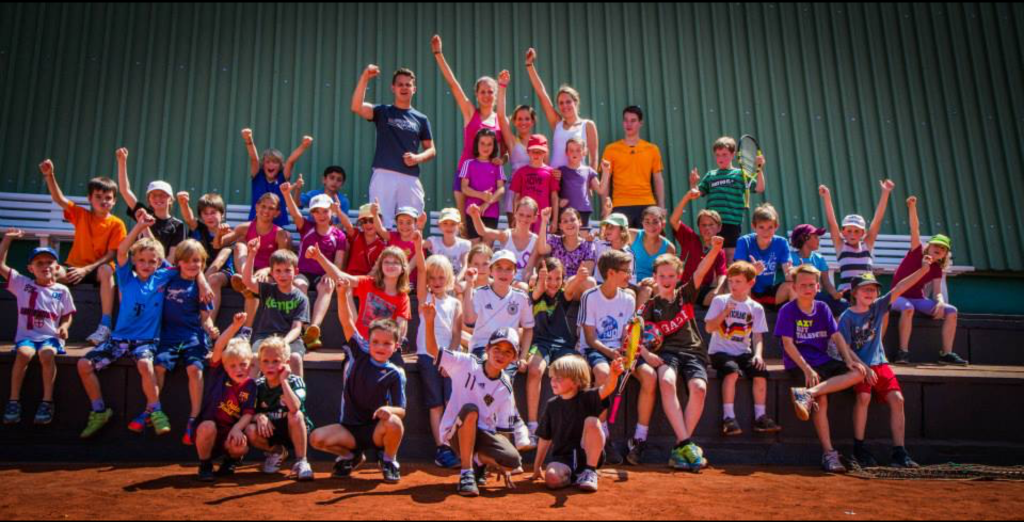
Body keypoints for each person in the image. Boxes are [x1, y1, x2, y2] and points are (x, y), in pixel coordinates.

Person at [78, 210, 208, 439]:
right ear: (134, 261)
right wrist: (138, 227)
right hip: (119, 339)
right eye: (141, 261)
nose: (147, 265)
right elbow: (121, 251)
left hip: (147, 341)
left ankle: (156, 411)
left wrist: (204, 280)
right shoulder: (126, 277)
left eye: (152, 261)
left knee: (146, 365)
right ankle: (99, 410)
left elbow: (191, 265)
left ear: (159, 263)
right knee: (83, 365)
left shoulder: (162, 276)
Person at [841, 258, 937, 469]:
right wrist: (863, 367)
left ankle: (899, 452)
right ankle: (858, 448)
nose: (870, 293)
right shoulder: (846, 317)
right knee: (864, 397)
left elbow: (901, 286)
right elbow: (845, 348)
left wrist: (923, 269)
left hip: (880, 363)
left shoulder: (879, 307)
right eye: (864, 289)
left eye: (873, 290)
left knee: (898, 399)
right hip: (859, 366)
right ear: (854, 292)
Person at [636, 243, 723, 471]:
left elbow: (701, 271)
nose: (666, 279)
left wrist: (715, 250)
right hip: (667, 354)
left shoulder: (685, 294)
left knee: (699, 388)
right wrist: (647, 354)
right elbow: (633, 336)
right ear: (654, 277)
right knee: (666, 381)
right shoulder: (649, 306)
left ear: (678, 276)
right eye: (662, 275)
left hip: (693, 352)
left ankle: (680, 446)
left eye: (671, 275)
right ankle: (687, 444)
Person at [423, 304, 524, 498]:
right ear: (486, 348)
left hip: (482, 435)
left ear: (514, 358)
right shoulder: (467, 363)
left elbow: (504, 432)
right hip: (454, 431)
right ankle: (467, 473)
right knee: (471, 410)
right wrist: (429, 322)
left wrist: (501, 460)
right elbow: (433, 351)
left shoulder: (506, 387)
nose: (501, 355)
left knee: (513, 461)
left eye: (508, 352)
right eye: (497, 348)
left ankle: (478, 461)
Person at [309, 286, 406, 485]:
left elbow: (401, 410)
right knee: (316, 438)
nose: (380, 347)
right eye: (376, 342)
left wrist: (389, 409)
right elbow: (346, 321)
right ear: (368, 342)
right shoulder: (358, 352)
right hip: (349, 430)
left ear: (396, 346)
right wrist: (343, 293)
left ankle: (389, 461)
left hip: (376, 431)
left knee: (395, 422)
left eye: (387, 344)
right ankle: (350, 457)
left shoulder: (395, 373)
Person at [778, 264, 867, 474]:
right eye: (803, 285)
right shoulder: (787, 310)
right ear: (795, 286)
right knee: (822, 400)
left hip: (823, 360)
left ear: (818, 286)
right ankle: (829, 453)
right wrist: (807, 369)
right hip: (799, 362)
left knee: (857, 373)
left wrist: (848, 360)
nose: (808, 289)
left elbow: (836, 337)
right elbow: (788, 345)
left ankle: (807, 394)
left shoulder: (823, 308)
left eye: (811, 285)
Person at [39, 159, 124, 346]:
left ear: (114, 200)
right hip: (73, 268)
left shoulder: (117, 223)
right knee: (50, 271)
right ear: (90, 199)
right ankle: (47, 324)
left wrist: (86, 270)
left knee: (108, 271)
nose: (104, 201)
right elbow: (59, 199)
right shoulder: (81, 215)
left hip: (96, 270)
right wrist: (49, 175)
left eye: (108, 198)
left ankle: (105, 324)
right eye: (99, 196)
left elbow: (112, 254)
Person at [577, 249, 649, 466]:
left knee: (650, 376)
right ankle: (604, 435)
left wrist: (628, 352)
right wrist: (612, 354)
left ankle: (639, 439)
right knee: (603, 373)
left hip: (620, 351)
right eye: (626, 272)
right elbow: (590, 339)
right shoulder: (589, 296)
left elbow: (628, 333)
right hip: (596, 350)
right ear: (610, 273)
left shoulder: (629, 297)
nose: (630, 276)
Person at [0, 231, 74, 426]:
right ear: (30, 268)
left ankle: (46, 401)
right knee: (23, 353)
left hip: (50, 337)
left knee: (47, 354)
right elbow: (0, 265)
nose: (45, 266)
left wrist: (64, 327)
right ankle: (14, 400)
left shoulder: (62, 290)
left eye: (49, 262)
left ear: (56, 267)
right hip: (27, 336)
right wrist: (7, 239)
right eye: (39, 263)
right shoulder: (22, 284)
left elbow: (67, 314)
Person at [431, 35, 504, 228]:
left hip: (489, 180)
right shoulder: (471, 113)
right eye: (483, 92)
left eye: (490, 92)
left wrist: (502, 159)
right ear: (477, 94)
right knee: (463, 223)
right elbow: (454, 85)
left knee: (486, 226)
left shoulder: (500, 119)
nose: (487, 95)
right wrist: (438, 54)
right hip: (466, 175)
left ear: (495, 95)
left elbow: (505, 150)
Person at [351, 64, 436, 228]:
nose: (404, 88)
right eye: (400, 84)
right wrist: (365, 78)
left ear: (414, 89)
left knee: (413, 221)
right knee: (382, 221)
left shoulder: (421, 119)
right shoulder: (383, 111)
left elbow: (431, 150)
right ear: (393, 88)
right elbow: (356, 107)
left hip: (410, 177)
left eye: (408, 84)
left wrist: (418, 158)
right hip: (384, 174)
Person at [705, 261, 781, 437]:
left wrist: (758, 355)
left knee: (760, 372)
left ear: (750, 283)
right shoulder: (720, 301)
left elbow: (758, 336)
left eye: (738, 281)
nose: (733, 285)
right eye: (731, 281)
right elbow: (709, 328)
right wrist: (724, 313)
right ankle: (728, 418)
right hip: (719, 351)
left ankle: (760, 417)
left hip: (743, 351)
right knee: (731, 371)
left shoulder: (756, 308)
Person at [154, 239, 219, 447]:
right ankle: (153, 409)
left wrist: (210, 327)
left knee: (194, 369)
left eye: (198, 261)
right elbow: (156, 254)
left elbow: (206, 316)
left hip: (192, 337)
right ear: (179, 262)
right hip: (168, 337)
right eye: (189, 261)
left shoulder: (202, 290)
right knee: (159, 367)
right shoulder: (170, 277)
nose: (194, 265)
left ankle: (194, 417)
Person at [524, 257, 593, 448]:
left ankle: (582, 426)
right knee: (535, 370)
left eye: (557, 278)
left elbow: (571, 288)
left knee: (579, 371)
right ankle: (532, 426)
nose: (553, 283)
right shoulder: (534, 293)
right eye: (549, 279)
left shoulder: (565, 293)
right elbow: (537, 291)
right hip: (540, 344)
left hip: (564, 346)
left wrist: (579, 278)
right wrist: (540, 281)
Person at [307, 244, 412, 367]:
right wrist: (319, 257)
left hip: (384, 347)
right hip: (361, 343)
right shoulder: (368, 283)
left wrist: (385, 349)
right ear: (381, 265)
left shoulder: (403, 298)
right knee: (351, 366)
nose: (390, 266)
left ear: (403, 268)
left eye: (395, 263)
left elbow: (400, 329)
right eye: (387, 262)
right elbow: (340, 276)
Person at [532, 354, 625, 493]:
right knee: (551, 478)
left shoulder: (588, 397)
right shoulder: (552, 406)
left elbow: (607, 388)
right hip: (562, 458)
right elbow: (545, 438)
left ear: (576, 381)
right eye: (552, 377)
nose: (553, 381)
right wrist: (536, 468)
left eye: (559, 378)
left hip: (588, 457)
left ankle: (589, 471)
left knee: (592, 421)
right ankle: (575, 477)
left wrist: (614, 374)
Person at [891, 196, 966, 366]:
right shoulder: (916, 252)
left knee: (951, 310)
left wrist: (939, 302)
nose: (938, 249)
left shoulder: (937, 268)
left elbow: (938, 291)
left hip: (918, 299)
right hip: (898, 296)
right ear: (928, 246)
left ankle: (946, 353)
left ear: (945, 254)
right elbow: (914, 228)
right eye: (935, 246)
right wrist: (912, 206)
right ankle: (902, 352)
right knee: (908, 308)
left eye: (942, 248)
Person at [411, 235, 464, 469]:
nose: (436, 281)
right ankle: (442, 448)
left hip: (450, 360)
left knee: (452, 403)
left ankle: (456, 447)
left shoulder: (456, 304)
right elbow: (421, 270)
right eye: (433, 278)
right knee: (436, 405)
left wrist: (449, 361)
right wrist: (416, 244)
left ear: (449, 278)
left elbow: (456, 335)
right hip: (426, 356)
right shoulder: (425, 298)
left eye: (441, 277)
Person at [281, 177, 348, 351]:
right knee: (298, 284)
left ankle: (314, 328)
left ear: (331, 212)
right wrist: (286, 194)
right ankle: (305, 328)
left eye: (325, 211)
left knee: (328, 285)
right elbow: (295, 213)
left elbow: (339, 263)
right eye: (316, 212)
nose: (321, 215)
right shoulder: (307, 226)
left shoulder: (338, 235)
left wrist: (330, 273)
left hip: (323, 274)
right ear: (312, 213)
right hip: (304, 271)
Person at [215, 193, 292, 338]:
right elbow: (218, 244)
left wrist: (268, 269)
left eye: (271, 208)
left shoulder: (280, 234)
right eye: (263, 206)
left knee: (254, 288)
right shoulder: (244, 228)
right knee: (239, 246)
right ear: (256, 207)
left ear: (277, 213)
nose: (266, 211)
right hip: (246, 270)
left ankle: (246, 329)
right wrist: (219, 233)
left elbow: (283, 260)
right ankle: (246, 281)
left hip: (268, 274)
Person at [195, 312, 257, 482]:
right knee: (206, 427)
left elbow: (248, 413)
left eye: (243, 365)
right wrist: (235, 327)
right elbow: (219, 347)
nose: (238, 369)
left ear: (250, 365)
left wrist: (237, 428)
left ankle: (231, 461)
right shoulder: (218, 374)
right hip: (212, 430)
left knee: (239, 444)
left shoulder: (251, 385)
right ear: (224, 365)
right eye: (233, 365)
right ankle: (205, 464)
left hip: (232, 432)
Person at [247, 336, 315, 481]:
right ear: (259, 363)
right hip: (271, 432)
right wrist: (258, 416)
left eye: (276, 361)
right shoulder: (257, 385)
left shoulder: (295, 381)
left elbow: (295, 407)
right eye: (265, 361)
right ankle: (277, 452)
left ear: (286, 363)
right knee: (250, 429)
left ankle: (301, 461)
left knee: (295, 415)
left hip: (293, 432)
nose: (270, 366)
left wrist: (284, 381)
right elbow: (246, 413)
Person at [691, 136, 767, 261]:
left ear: (733, 155)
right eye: (718, 155)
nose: (721, 158)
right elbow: (696, 193)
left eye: (724, 154)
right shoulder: (711, 175)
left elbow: (759, 188)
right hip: (713, 224)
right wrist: (693, 183)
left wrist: (759, 169)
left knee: (730, 255)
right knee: (713, 254)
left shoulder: (739, 174)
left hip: (732, 222)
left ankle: (730, 279)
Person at [241, 240, 309, 377]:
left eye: (287, 271)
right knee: (254, 358)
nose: (282, 275)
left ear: (295, 272)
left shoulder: (301, 298)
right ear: (271, 273)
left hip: (289, 340)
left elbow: (297, 328)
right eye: (278, 271)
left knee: (295, 358)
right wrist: (252, 254)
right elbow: (247, 281)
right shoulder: (267, 289)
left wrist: (284, 342)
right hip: (264, 337)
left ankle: (296, 395)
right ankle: (250, 395)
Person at [525, 48, 599, 169]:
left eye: (568, 102)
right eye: (561, 103)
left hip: (577, 180)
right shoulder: (557, 123)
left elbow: (594, 157)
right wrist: (529, 65)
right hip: (556, 179)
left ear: (576, 102)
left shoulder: (588, 125)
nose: (565, 106)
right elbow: (541, 93)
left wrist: (590, 181)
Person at [819, 180, 895, 296]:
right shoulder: (841, 247)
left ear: (863, 233)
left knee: (883, 304)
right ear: (843, 232)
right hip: (847, 293)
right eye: (849, 231)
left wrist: (885, 193)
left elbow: (877, 220)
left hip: (867, 292)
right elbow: (832, 223)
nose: (852, 234)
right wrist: (827, 197)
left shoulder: (867, 246)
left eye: (856, 231)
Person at [116, 147, 187, 261]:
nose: (158, 198)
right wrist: (122, 161)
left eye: (163, 195)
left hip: (162, 273)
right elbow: (125, 190)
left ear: (171, 199)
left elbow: (172, 257)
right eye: (153, 195)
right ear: (148, 199)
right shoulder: (143, 214)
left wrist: (158, 275)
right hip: (139, 269)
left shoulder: (178, 225)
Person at [600, 106, 665, 227]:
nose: (628, 124)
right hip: (619, 205)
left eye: (633, 120)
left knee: (649, 244)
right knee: (621, 244)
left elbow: (658, 179)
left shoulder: (652, 149)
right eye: (626, 120)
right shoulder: (610, 149)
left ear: (640, 123)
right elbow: (605, 180)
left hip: (647, 204)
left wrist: (661, 206)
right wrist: (605, 206)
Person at [176, 191, 234, 323]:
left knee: (214, 279)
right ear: (201, 216)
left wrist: (203, 281)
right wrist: (183, 203)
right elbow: (189, 218)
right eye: (205, 213)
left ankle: (207, 325)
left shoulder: (227, 233)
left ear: (222, 214)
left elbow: (220, 260)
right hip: (198, 271)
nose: (209, 217)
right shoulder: (199, 228)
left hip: (223, 273)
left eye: (213, 212)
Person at [241, 129, 312, 228]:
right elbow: (254, 159)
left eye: (275, 162)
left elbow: (291, 161)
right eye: (268, 162)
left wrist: (303, 146)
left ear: (280, 165)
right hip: (256, 224)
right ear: (263, 165)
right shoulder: (258, 176)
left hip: (277, 227)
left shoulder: (282, 178)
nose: (271, 165)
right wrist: (249, 140)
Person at [670, 188, 728, 307]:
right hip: (682, 287)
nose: (707, 228)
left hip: (702, 290)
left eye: (711, 225)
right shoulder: (690, 237)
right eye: (703, 225)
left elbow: (722, 274)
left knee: (721, 296)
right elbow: (674, 220)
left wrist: (719, 290)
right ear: (699, 227)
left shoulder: (719, 251)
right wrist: (687, 197)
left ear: (719, 228)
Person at [496, 70, 539, 225]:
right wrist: (502, 86)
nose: (523, 122)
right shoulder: (513, 141)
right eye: (519, 119)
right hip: (515, 192)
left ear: (533, 121)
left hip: (536, 191)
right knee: (515, 232)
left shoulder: (540, 143)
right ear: (514, 121)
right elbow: (500, 116)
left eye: (527, 118)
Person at [467, 198, 542, 284]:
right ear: (515, 214)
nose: (524, 219)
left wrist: (523, 288)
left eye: (528, 216)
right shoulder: (506, 235)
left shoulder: (536, 241)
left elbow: (529, 268)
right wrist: (475, 216)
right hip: (502, 280)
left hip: (522, 284)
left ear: (534, 218)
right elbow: (483, 231)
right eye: (521, 214)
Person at [733, 204, 792, 308]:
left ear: (776, 227)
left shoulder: (781, 242)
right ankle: (744, 320)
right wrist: (752, 272)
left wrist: (796, 274)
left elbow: (788, 273)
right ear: (753, 226)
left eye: (770, 227)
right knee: (740, 283)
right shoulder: (744, 242)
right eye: (761, 227)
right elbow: (738, 273)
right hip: (749, 291)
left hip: (769, 291)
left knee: (792, 285)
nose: (766, 232)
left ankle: (797, 323)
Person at [784, 224, 848, 315]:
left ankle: (835, 329)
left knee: (843, 305)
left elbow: (826, 282)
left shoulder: (819, 258)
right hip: (801, 295)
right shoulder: (791, 257)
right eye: (815, 237)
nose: (818, 240)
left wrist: (835, 293)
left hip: (817, 295)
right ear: (804, 238)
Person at [459, 129, 507, 241]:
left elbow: (501, 189)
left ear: (494, 146)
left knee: (487, 247)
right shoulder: (468, 164)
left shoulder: (497, 165)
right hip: (472, 211)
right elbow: (464, 188)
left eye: (489, 144)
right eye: (482, 143)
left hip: (491, 212)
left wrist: (487, 203)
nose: (486, 147)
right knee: (474, 246)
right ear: (477, 144)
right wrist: (481, 195)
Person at [510, 135, 560, 233]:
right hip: (524, 217)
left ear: (545, 153)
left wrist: (554, 220)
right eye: (533, 151)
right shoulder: (520, 172)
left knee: (539, 245)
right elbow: (516, 197)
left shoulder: (551, 173)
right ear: (528, 152)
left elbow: (554, 198)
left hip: (542, 219)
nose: (536, 154)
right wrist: (515, 217)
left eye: (540, 152)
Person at [536, 207, 597, 279]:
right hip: (555, 282)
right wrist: (544, 221)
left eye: (572, 220)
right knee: (534, 278)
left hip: (576, 283)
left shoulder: (588, 245)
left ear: (580, 222)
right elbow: (541, 249)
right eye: (565, 221)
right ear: (560, 226)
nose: (569, 223)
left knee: (589, 281)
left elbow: (587, 273)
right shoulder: (555, 240)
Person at [557, 137, 602, 227]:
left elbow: (600, 190)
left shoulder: (589, 170)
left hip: (583, 210)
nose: (574, 153)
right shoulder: (560, 171)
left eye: (578, 150)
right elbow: (553, 192)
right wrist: (559, 201)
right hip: (566, 211)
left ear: (584, 152)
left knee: (581, 238)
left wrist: (607, 172)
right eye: (571, 150)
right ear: (566, 153)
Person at [341, 202, 389, 277]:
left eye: (371, 220)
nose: (368, 224)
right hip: (349, 278)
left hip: (368, 281)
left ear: (379, 221)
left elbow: (375, 272)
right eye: (364, 221)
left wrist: (363, 283)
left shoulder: (383, 244)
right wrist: (337, 210)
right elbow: (347, 226)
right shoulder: (357, 236)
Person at [631, 207, 676, 283]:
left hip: (653, 285)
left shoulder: (669, 248)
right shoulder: (632, 235)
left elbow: (668, 273)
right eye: (647, 222)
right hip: (628, 284)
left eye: (655, 222)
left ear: (663, 224)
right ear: (642, 223)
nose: (651, 226)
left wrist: (654, 280)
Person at [424, 208, 471, 278]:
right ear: (439, 225)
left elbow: (465, 266)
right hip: (436, 280)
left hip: (455, 280)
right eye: (445, 223)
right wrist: (419, 227)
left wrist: (456, 281)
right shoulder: (433, 241)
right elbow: (417, 244)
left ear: (459, 226)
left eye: (453, 224)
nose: (449, 227)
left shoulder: (464, 244)